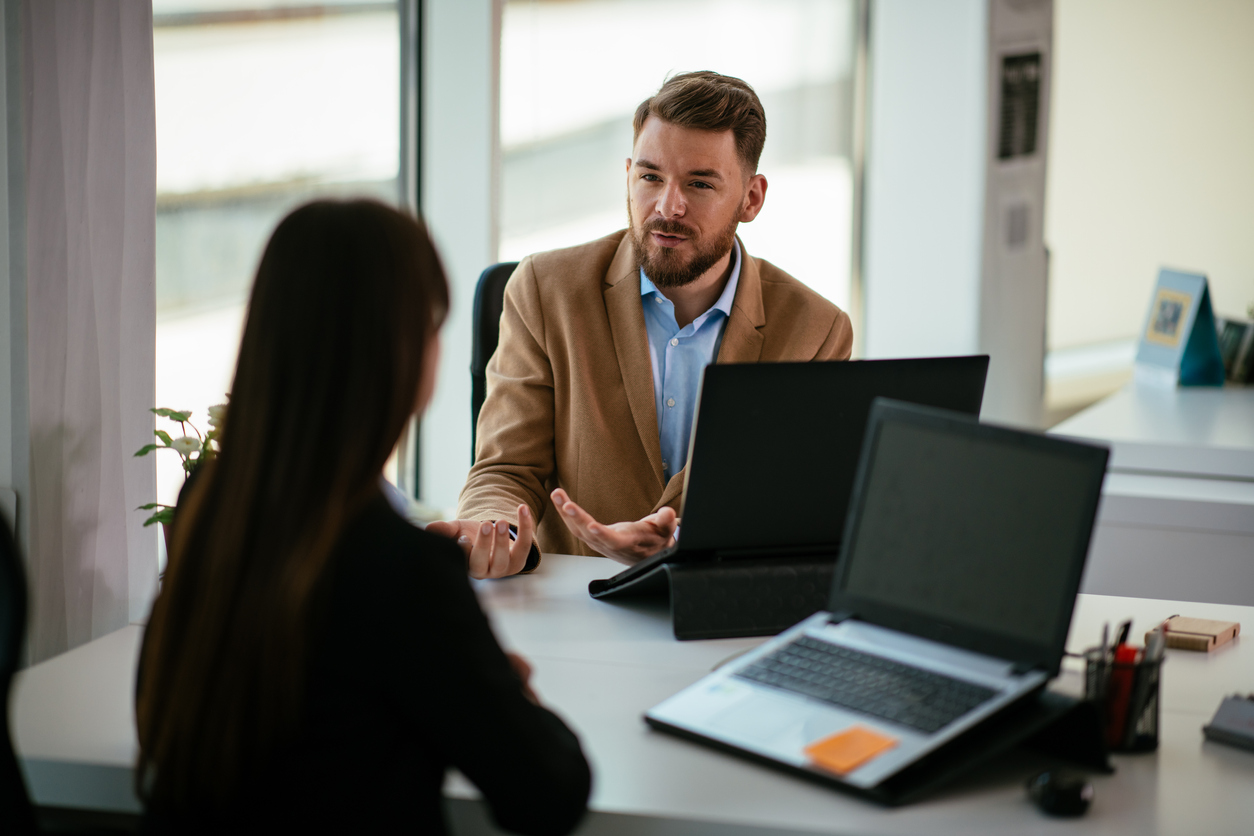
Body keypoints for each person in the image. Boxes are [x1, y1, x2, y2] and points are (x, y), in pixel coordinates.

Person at [135, 200, 591, 834]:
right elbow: (551, 793)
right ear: (405, 353)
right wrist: (502, 694)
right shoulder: (400, 568)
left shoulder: (209, 502)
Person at [431, 72, 853, 576]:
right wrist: (496, 530)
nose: (667, 207)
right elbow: (505, 470)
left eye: (699, 183)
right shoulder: (546, 289)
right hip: (575, 603)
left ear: (751, 199)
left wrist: (679, 539)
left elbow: (792, 502)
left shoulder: (815, 330)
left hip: (713, 603)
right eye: (650, 177)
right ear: (629, 174)